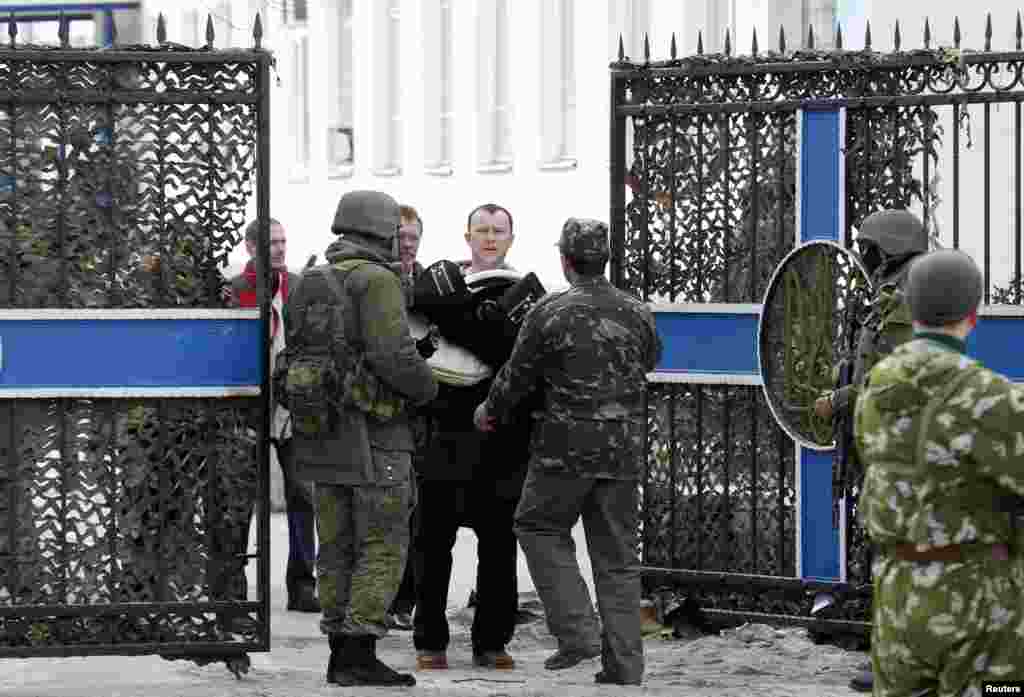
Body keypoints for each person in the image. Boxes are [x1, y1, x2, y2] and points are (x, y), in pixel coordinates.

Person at [474, 218, 662, 686]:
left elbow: (517, 376)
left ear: (565, 259)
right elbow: (652, 359)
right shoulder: (638, 311)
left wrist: (488, 411)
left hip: (565, 447)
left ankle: (577, 632)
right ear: (605, 259)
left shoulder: (549, 311)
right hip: (622, 449)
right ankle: (624, 665)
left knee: (537, 525)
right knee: (617, 557)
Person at [284, 190, 437, 687]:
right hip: (377, 434)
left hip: (321, 434)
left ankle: (338, 649)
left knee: (336, 544)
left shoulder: (310, 278)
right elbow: (394, 357)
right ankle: (359, 651)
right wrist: (430, 386)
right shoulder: (377, 280)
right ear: (382, 231)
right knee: (382, 542)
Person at [855, 248, 1024, 695]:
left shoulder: (876, 385)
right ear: (973, 312)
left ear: (909, 307)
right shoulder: (986, 395)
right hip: (974, 603)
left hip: (896, 598)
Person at [811, 209, 929, 694]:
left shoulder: (903, 297)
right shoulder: (898, 289)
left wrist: (838, 400)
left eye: (869, 245)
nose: (864, 253)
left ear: (890, 246)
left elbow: (894, 380)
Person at [410, 203, 532, 670]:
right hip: (443, 429)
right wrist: (475, 319)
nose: (489, 238)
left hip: (501, 438)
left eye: (498, 231)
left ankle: (492, 643)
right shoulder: (438, 284)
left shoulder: (523, 293)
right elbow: (419, 342)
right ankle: (430, 641)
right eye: (481, 229)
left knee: (499, 543)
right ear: (467, 235)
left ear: (510, 239)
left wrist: (455, 312)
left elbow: (507, 349)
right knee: (432, 540)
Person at [227, 217, 319, 613]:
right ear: (250, 248)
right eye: (272, 244)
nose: (280, 249)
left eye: (284, 241)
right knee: (240, 496)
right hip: (246, 404)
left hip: (290, 405)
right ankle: (233, 585)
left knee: (303, 494)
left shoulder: (297, 285)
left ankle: (302, 584)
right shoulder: (235, 291)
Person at [386, 204, 426, 631]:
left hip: (424, 413)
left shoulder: (433, 280)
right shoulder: (380, 281)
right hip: (390, 411)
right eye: (401, 234)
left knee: (419, 514)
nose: (408, 242)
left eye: (414, 235)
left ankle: (405, 601)